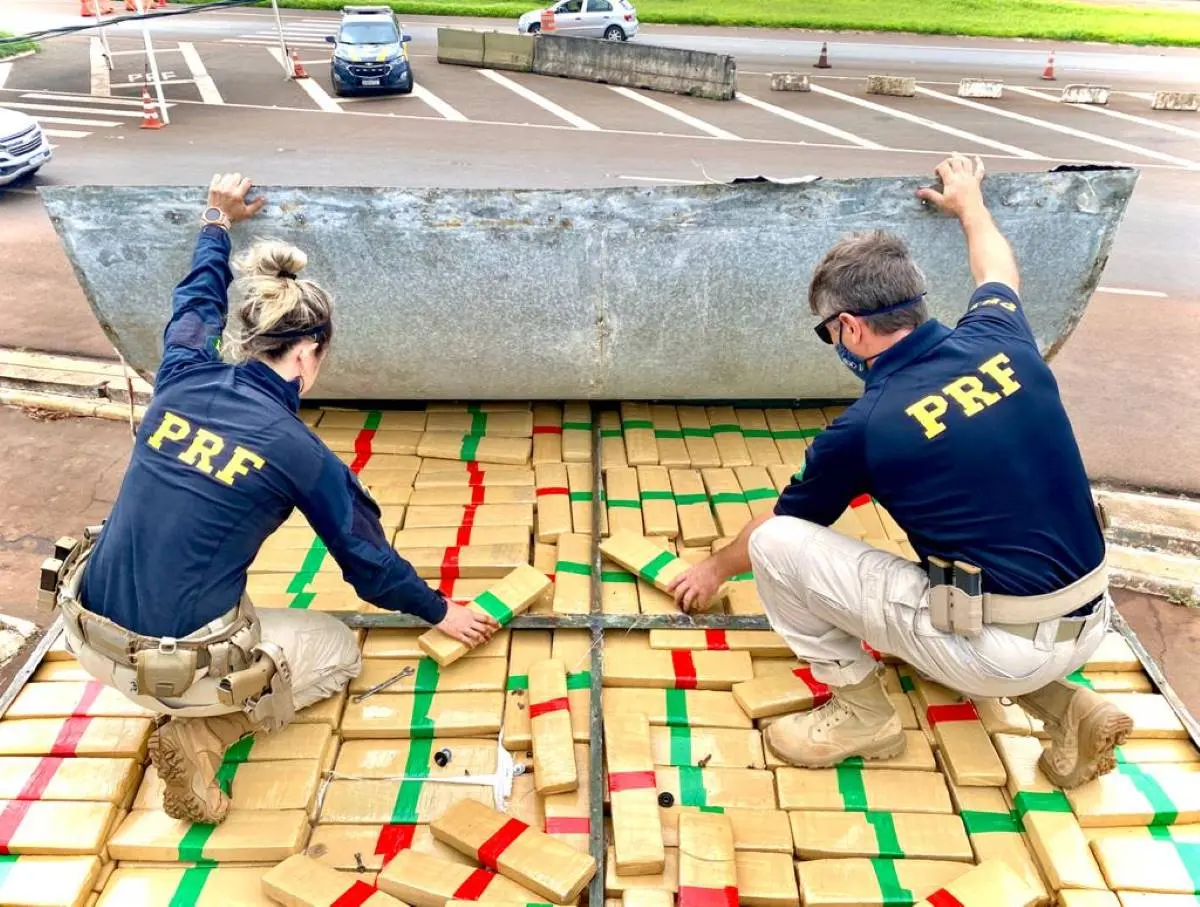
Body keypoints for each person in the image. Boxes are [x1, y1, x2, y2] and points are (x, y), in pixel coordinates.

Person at [671, 154, 1131, 790]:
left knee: (777, 544)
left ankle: (864, 716)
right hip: (1095, 612)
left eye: (829, 334)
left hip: (1002, 648)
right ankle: (1068, 705)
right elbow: (998, 269)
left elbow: (779, 528)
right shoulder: (1000, 335)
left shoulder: (867, 427)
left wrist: (714, 568)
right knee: (962, 577)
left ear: (849, 327)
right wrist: (970, 204)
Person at [55, 174, 499, 825]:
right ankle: (204, 731)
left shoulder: (180, 373)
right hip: (167, 668)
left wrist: (217, 220)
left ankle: (186, 694)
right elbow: (369, 567)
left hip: (86, 633)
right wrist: (440, 610)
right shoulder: (299, 453)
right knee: (338, 650)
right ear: (308, 353)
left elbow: (195, 300)